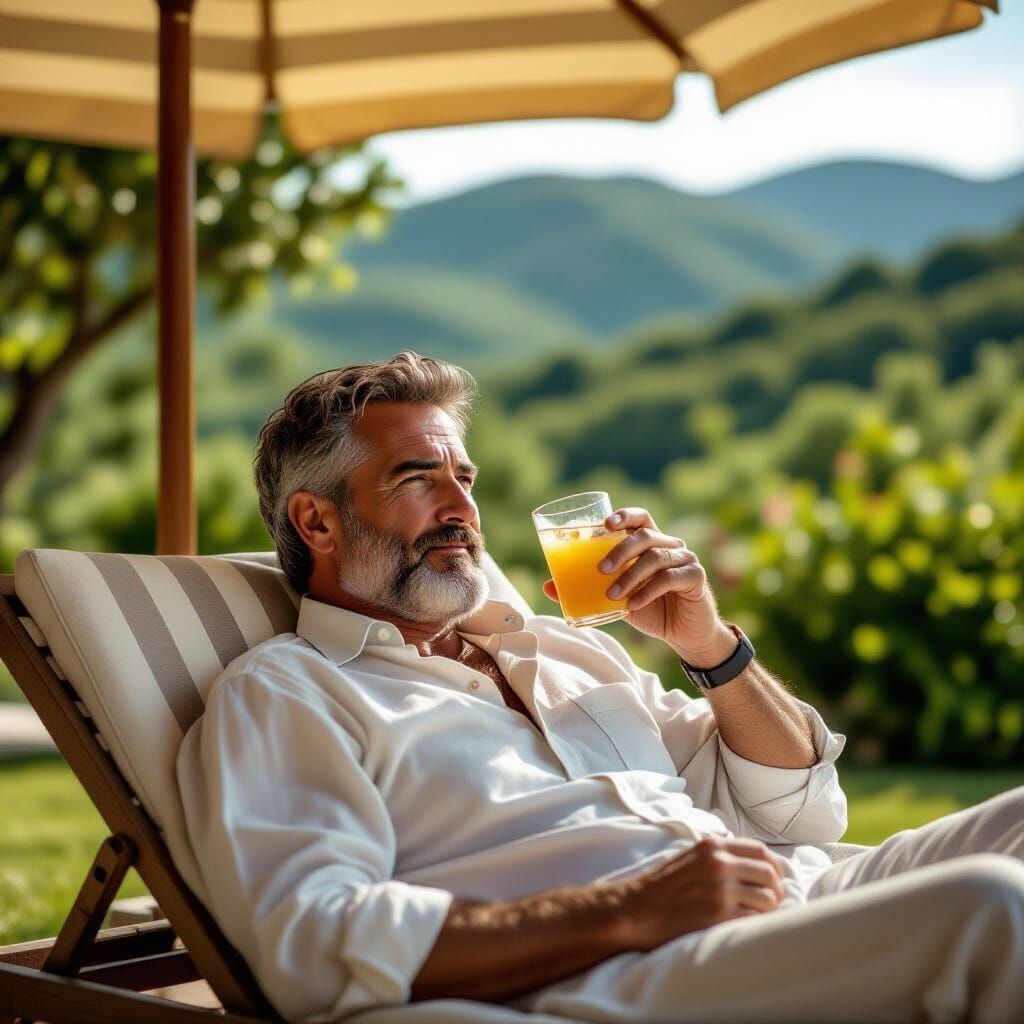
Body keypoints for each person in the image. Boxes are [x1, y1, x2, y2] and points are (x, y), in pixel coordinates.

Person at [176, 351, 1024, 1024]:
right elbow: (313, 938)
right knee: (991, 907)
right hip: (634, 970)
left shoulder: (561, 651)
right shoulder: (291, 692)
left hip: (795, 895)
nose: (461, 508)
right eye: (416, 478)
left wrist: (707, 644)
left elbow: (799, 812)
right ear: (317, 521)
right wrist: (627, 909)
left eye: (464, 479)